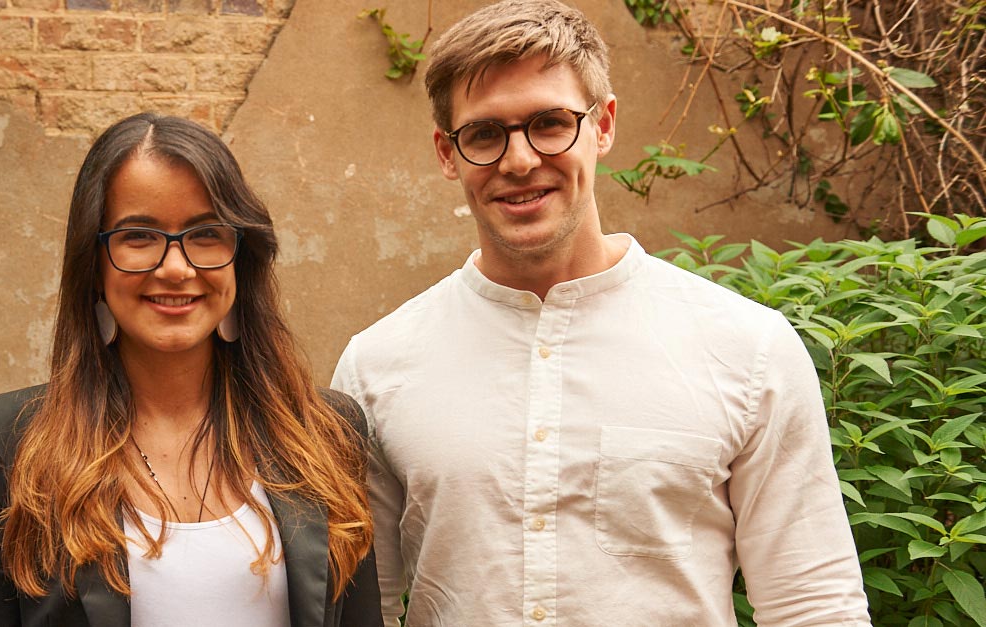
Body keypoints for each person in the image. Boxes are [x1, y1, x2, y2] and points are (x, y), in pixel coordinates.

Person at [330, 2, 871, 625]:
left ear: (603, 125)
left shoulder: (747, 349)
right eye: (483, 134)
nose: (519, 161)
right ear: (447, 153)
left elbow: (814, 605)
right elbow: (358, 612)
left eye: (550, 123)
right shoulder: (377, 367)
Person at [0, 113, 382, 626]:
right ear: (94, 262)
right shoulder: (2, 446)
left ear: (240, 258)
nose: (176, 268)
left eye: (206, 233)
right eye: (139, 236)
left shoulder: (325, 433)